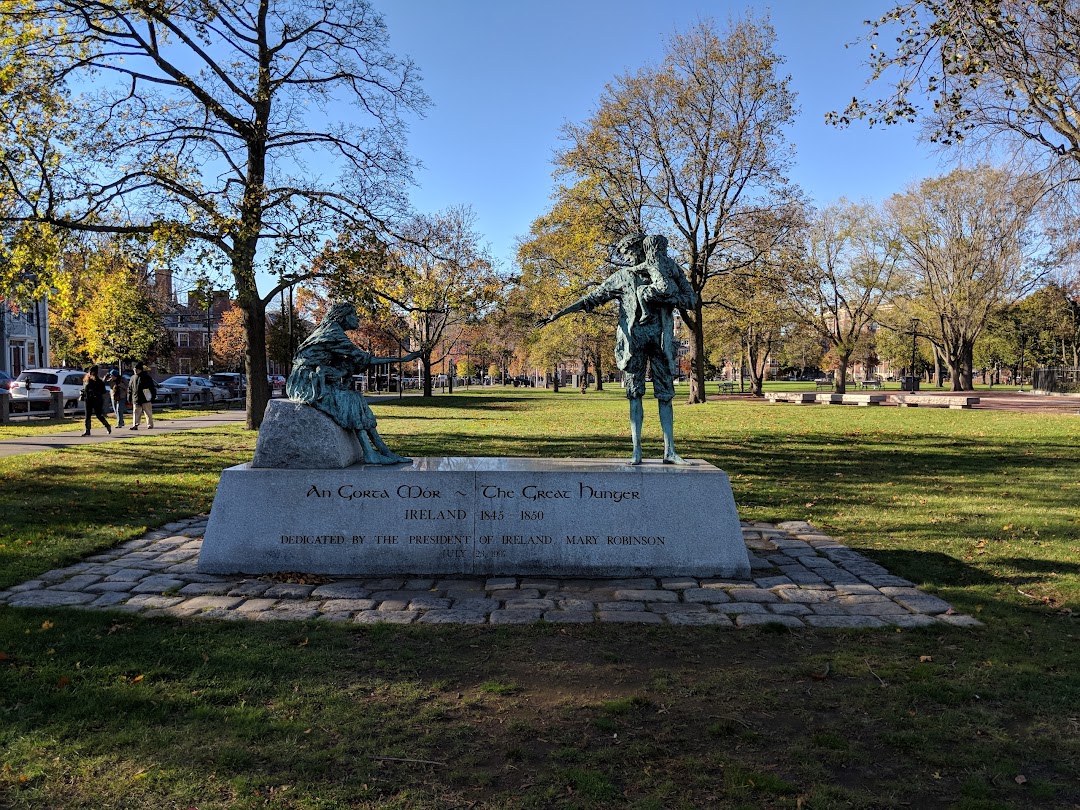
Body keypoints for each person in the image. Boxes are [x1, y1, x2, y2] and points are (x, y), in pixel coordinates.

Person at [541, 233, 698, 465]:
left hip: (662, 341)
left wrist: (668, 295)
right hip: (633, 343)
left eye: (628, 252)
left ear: (640, 248)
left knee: (665, 395)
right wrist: (559, 314)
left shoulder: (668, 269)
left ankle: (670, 450)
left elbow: (691, 300)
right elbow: (592, 298)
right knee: (634, 394)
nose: (626, 257)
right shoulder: (622, 277)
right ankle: (636, 450)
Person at [287, 301, 420, 464]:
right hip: (306, 382)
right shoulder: (333, 332)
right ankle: (371, 453)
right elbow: (363, 358)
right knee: (351, 400)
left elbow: (348, 361)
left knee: (355, 399)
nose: (358, 319)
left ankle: (383, 451)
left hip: (312, 378)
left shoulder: (329, 330)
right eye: (354, 315)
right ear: (343, 316)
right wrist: (401, 359)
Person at [81, 365, 112, 436]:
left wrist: (96, 392)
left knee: (99, 415)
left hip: (97, 400)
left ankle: (107, 426)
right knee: (87, 416)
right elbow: (85, 390)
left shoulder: (99, 382)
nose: (91, 374)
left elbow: (103, 391)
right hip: (88, 399)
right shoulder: (87, 381)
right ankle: (87, 430)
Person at [129, 362, 157, 430]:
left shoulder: (146, 377)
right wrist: (129, 397)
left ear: (140, 370)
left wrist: (153, 396)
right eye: (134, 369)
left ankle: (150, 424)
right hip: (136, 397)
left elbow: (152, 387)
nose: (135, 371)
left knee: (148, 412)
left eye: (136, 369)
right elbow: (130, 388)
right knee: (136, 412)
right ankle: (135, 425)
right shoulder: (133, 378)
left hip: (145, 398)